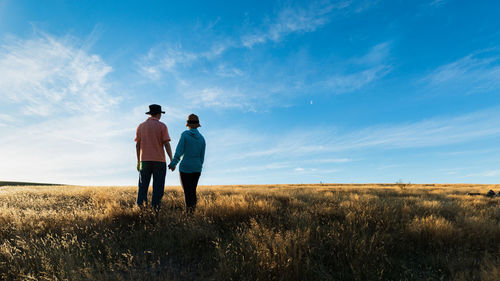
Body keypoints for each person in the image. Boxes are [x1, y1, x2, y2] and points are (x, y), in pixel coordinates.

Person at [135, 104, 173, 214]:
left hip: (144, 161)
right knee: (158, 188)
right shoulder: (162, 126)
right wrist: (171, 159)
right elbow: (166, 144)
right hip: (159, 161)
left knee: (142, 187)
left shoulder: (140, 126)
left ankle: (140, 211)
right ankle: (155, 211)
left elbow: (137, 146)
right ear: (158, 114)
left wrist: (138, 161)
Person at [168, 114, 206, 213]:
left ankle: (188, 215)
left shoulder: (185, 135)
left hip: (185, 168)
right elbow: (202, 157)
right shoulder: (202, 139)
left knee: (187, 192)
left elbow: (179, 151)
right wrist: (199, 166)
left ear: (188, 124)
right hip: (197, 169)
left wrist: (173, 164)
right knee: (193, 191)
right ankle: (192, 213)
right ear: (197, 125)